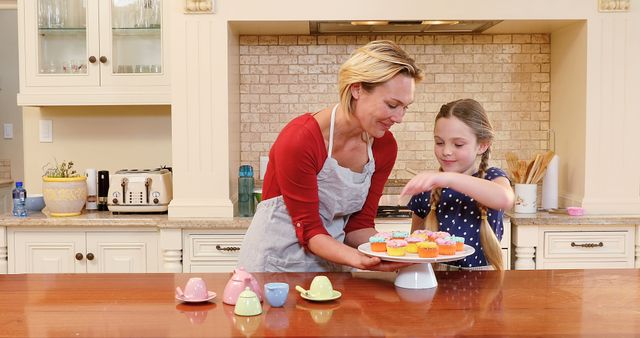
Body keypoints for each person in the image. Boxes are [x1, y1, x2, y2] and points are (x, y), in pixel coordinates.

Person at [237, 40, 424, 272]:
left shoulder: (384, 147)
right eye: (392, 104)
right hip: (275, 265)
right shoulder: (300, 139)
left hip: (332, 264)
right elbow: (310, 230)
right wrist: (361, 260)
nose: (399, 118)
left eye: (405, 107)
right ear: (357, 89)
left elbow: (359, 225)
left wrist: (398, 250)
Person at [401, 98, 514, 270]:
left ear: (482, 145)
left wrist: (447, 179)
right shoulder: (428, 188)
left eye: (458, 144)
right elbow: (416, 243)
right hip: (436, 284)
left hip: (483, 286)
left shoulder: (492, 177)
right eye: (439, 142)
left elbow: (504, 199)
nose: (446, 151)